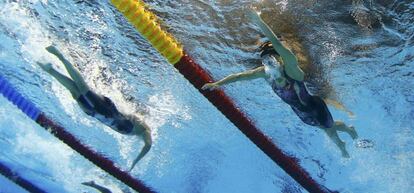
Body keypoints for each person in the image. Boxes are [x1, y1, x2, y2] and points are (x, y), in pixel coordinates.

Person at [202, 10, 358, 157]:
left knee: (328, 130)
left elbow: (276, 43)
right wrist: (217, 84)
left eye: (273, 58)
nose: (271, 63)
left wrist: (258, 20)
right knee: (326, 128)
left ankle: (342, 146)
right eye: (267, 60)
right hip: (301, 112)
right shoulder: (264, 73)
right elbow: (239, 76)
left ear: (280, 58)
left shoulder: (291, 69)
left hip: (315, 108)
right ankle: (347, 130)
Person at [37, 45, 151, 170]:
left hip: (100, 111)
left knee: (78, 88)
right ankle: (55, 63)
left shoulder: (140, 127)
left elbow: (147, 145)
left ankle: (55, 62)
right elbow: (147, 145)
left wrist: (134, 162)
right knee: (78, 88)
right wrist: (134, 162)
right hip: (98, 112)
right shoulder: (139, 130)